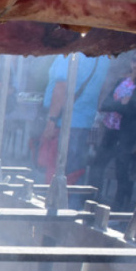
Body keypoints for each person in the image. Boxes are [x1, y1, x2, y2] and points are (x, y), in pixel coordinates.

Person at [87, 49, 136, 210]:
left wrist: (121, 105)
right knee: (98, 163)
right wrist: (121, 104)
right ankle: (92, 197)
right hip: (110, 129)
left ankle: (120, 204)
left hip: (127, 131)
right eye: (135, 60)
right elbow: (105, 104)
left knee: (122, 167)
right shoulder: (122, 80)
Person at [39, 52, 110, 185]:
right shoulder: (103, 57)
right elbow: (103, 88)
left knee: (58, 169)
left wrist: (51, 120)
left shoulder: (70, 54)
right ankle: (71, 197)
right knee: (75, 170)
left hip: (64, 121)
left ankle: (56, 196)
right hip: (85, 121)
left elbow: (61, 87)